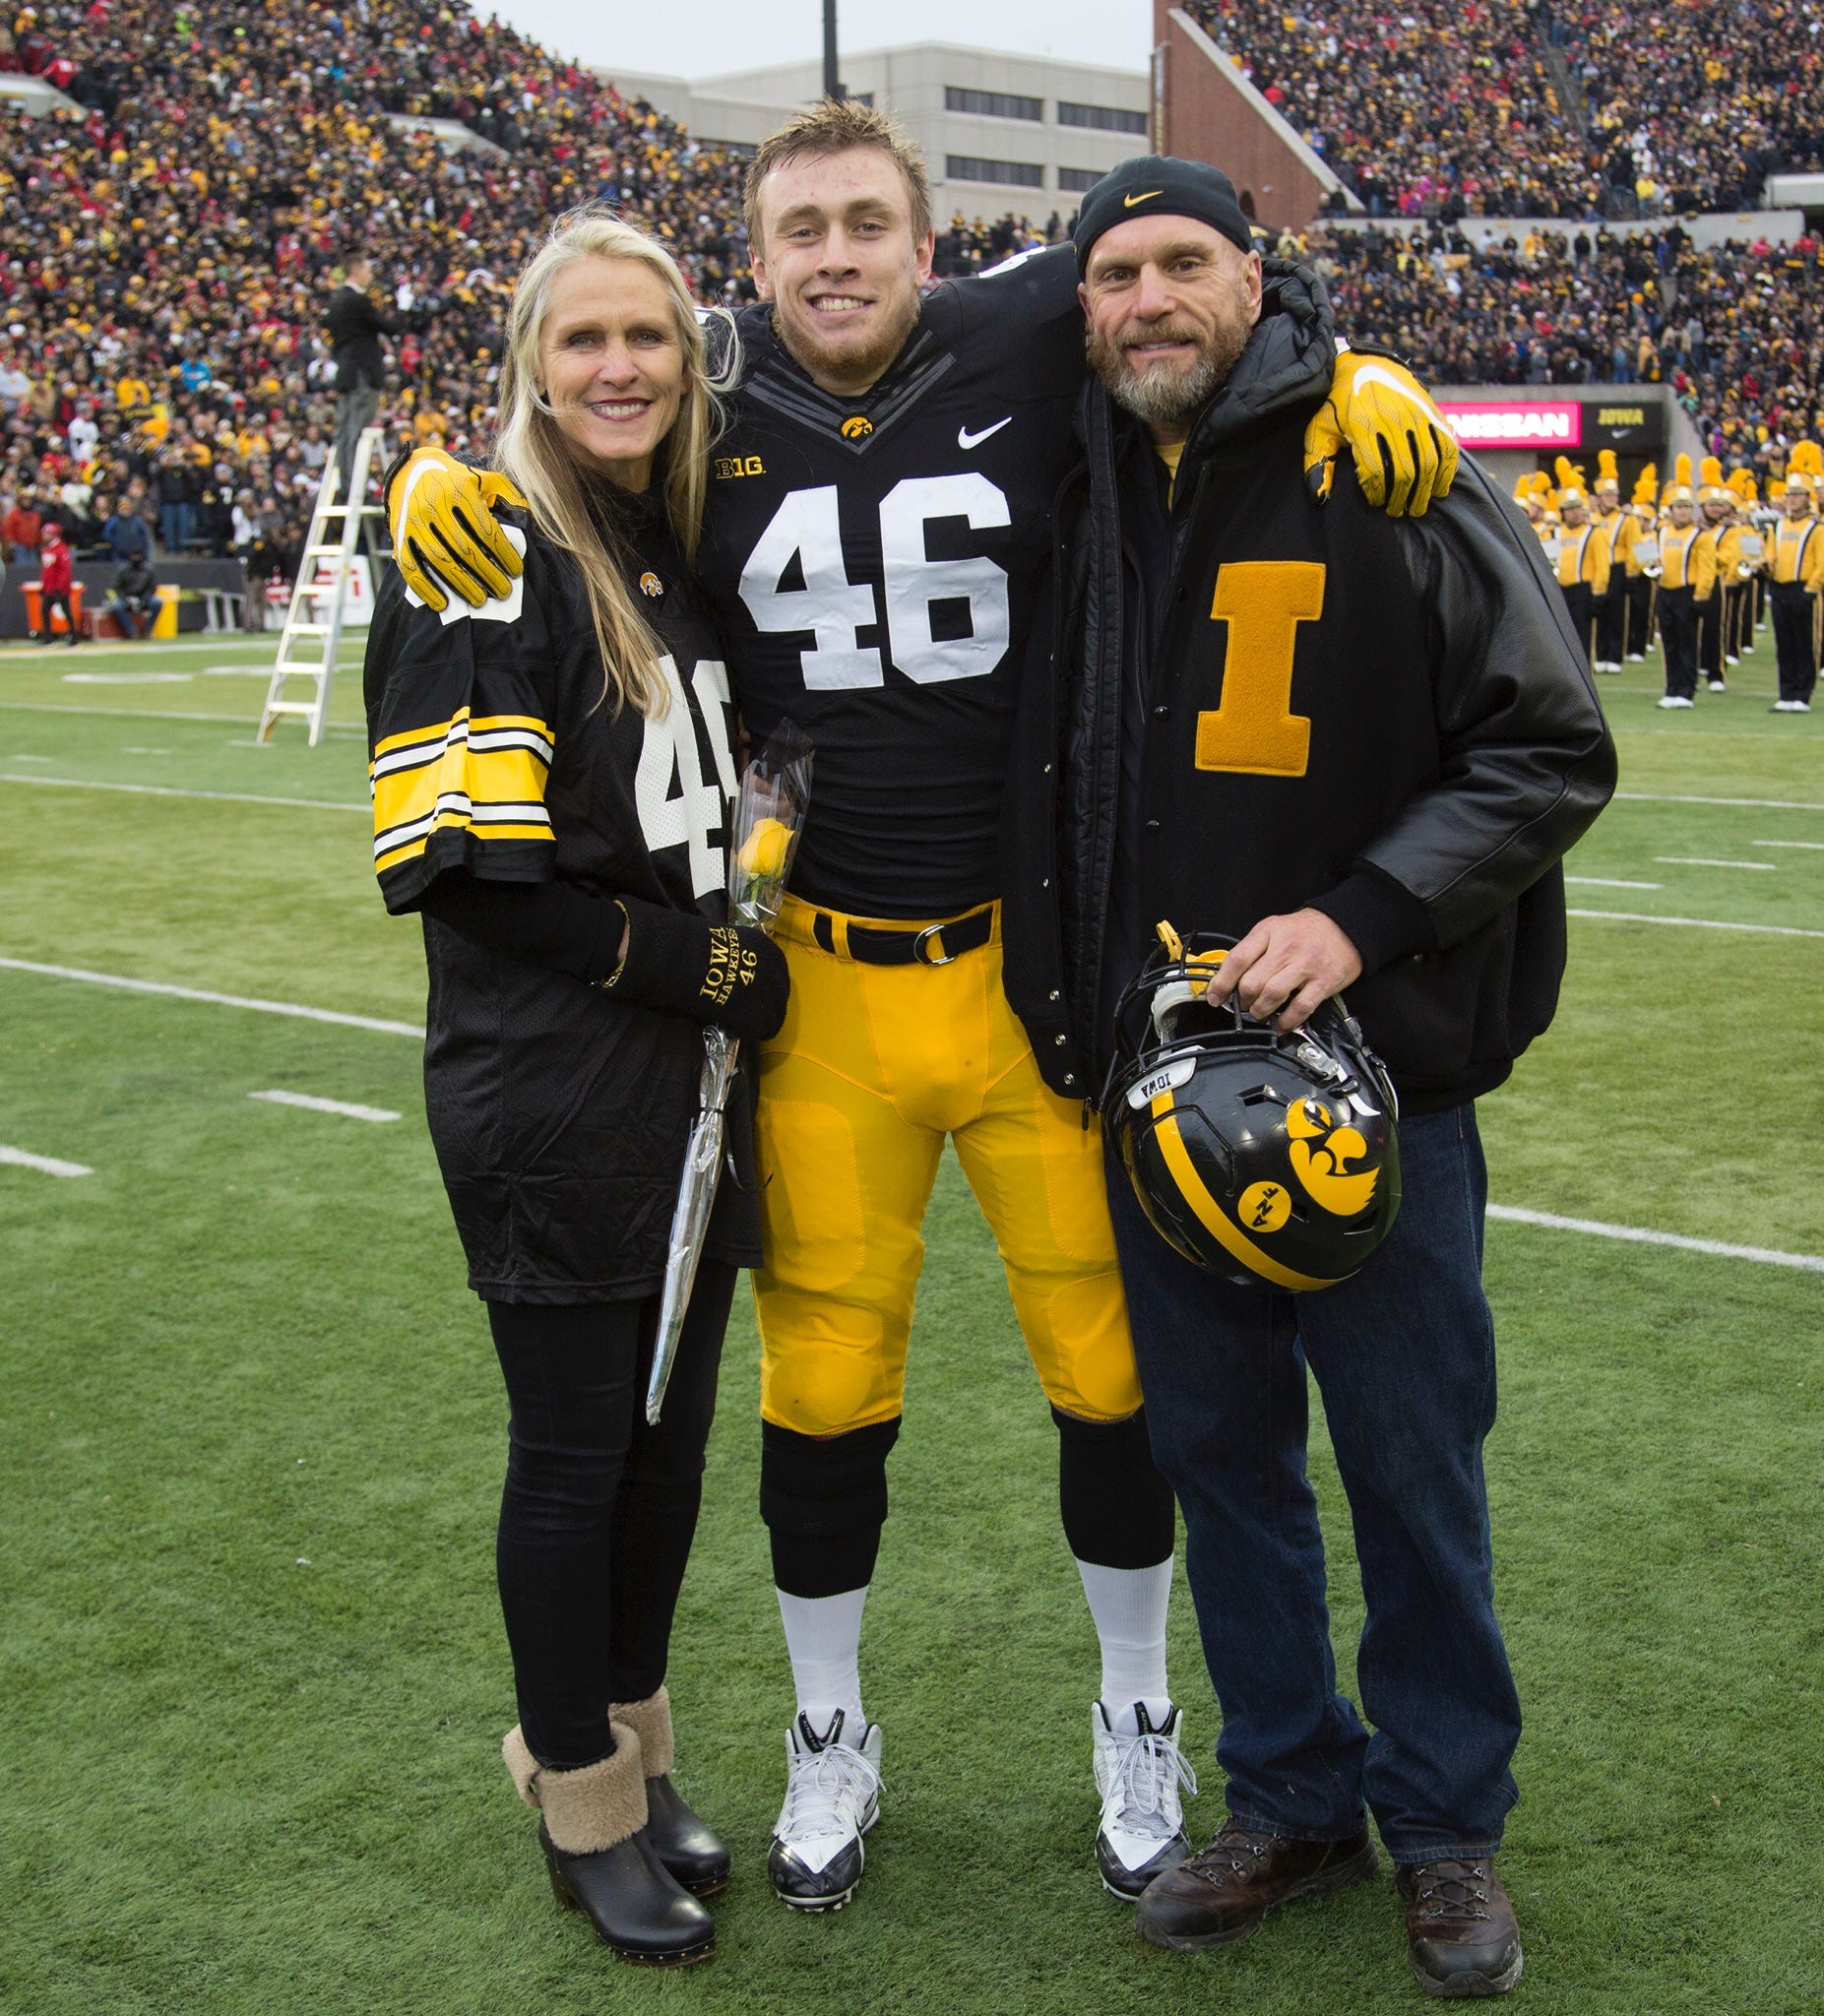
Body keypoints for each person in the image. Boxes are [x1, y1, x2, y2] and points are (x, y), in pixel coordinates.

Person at [386, 99, 1456, 1918]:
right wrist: (446, 463)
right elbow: (577, 398)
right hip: (815, 997)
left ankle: (1137, 1710)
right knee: (821, 1383)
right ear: (754, 257)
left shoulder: (1030, 323)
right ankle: (826, 1733)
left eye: (863, 224)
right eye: (797, 229)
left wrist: (1343, 365)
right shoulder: (706, 381)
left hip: (1027, 969)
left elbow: (1183, 299)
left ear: (927, 237)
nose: (831, 257)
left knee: (1106, 1376)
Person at [1002, 156, 1615, 1998]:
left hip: (1374, 1080)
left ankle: (1444, 1824)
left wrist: (1357, 916)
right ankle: (1285, 1791)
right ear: (1078, 306)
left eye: (1180, 262)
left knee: (1411, 1468)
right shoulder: (1068, 472)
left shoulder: (1383, 464)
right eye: (1110, 275)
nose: (1144, 300)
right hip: (1157, 1088)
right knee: (1223, 1468)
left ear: (1258, 280)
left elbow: (1545, 746)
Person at [362, 208, 789, 1968]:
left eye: (652, 339)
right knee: (571, 1459)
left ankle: (631, 1746)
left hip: (688, 1089)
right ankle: (579, 1801)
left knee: (665, 1451)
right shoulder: (480, 546)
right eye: (584, 338)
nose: (621, 367)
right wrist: (681, 961)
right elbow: (462, 871)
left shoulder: (664, 533)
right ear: (529, 357)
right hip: (558, 1086)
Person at [327, 255, 395, 496]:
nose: (370, 274)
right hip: (362, 373)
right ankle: (354, 485)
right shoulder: (357, 301)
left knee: (345, 429)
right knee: (357, 429)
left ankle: (346, 481)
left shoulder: (336, 302)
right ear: (355, 270)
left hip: (346, 372)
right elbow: (387, 326)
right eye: (367, 269)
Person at [1652, 463, 1716, 709]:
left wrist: (1701, 596)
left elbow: (1706, 568)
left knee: (1687, 642)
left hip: (1687, 593)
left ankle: (1686, 691)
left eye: (1687, 507)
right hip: (1665, 591)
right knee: (1669, 642)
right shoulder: (1663, 532)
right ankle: (1671, 688)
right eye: (1679, 507)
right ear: (1671, 510)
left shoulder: (1701, 535)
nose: (1683, 512)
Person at [1767, 445, 1823, 712]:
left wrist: (1811, 588)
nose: (1792, 499)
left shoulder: (1816, 527)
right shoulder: (1778, 525)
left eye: (1798, 495)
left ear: (1808, 498)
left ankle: (1802, 694)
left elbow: (1822, 562)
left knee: (1804, 643)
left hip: (1804, 589)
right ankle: (1786, 693)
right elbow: (1771, 555)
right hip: (1779, 588)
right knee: (1784, 644)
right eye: (1789, 495)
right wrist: (1763, 566)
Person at [1551, 475, 1610, 668]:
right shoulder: (1556, 533)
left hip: (1583, 591)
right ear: (1563, 512)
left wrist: (1598, 593)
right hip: (1560, 590)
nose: (1576, 512)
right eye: (1570, 508)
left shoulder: (1594, 532)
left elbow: (1602, 566)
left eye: (1578, 507)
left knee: (1583, 638)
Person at [37, 522, 78, 646]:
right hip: (49, 588)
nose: (44, 535)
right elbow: (46, 571)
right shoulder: (46, 549)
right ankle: (48, 637)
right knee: (44, 610)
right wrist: (44, 587)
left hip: (60, 588)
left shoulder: (61, 549)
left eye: (47, 533)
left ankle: (74, 637)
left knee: (67, 612)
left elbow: (64, 571)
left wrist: (60, 587)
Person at [106, 550, 159, 638]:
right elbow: (117, 587)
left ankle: (148, 629)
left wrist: (144, 598)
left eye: (138, 555)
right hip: (127, 597)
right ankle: (132, 631)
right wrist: (125, 598)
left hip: (144, 597)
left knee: (157, 602)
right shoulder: (123, 570)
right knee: (116, 606)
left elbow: (152, 587)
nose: (136, 558)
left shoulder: (148, 569)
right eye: (134, 556)